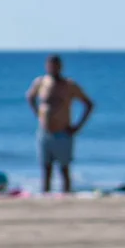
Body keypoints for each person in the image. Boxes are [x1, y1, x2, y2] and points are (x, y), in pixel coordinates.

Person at [27, 54, 95, 194]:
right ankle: (45, 195)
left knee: (64, 169)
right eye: (50, 65)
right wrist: (38, 115)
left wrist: (78, 126)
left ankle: (66, 195)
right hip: (44, 132)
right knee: (46, 168)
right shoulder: (41, 82)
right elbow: (30, 97)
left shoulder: (69, 85)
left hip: (63, 132)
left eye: (56, 65)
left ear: (61, 67)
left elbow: (88, 104)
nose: (53, 68)